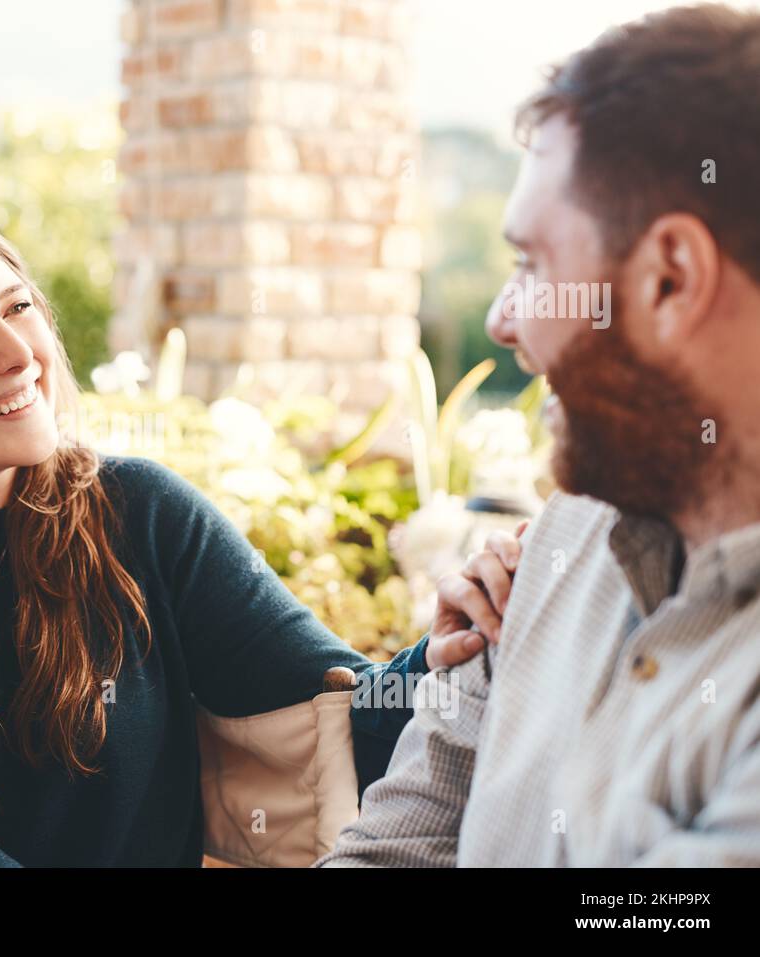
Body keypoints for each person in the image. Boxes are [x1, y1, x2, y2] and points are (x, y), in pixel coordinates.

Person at [0, 199, 493, 867]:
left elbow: (339, 717)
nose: (16, 353)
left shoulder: (141, 515)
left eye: (19, 307)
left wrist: (448, 651)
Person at [318, 3, 760, 867]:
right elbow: (383, 854)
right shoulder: (560, 541)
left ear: (671, 279)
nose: (501, 319)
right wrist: (451, 682)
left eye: (531, 266)